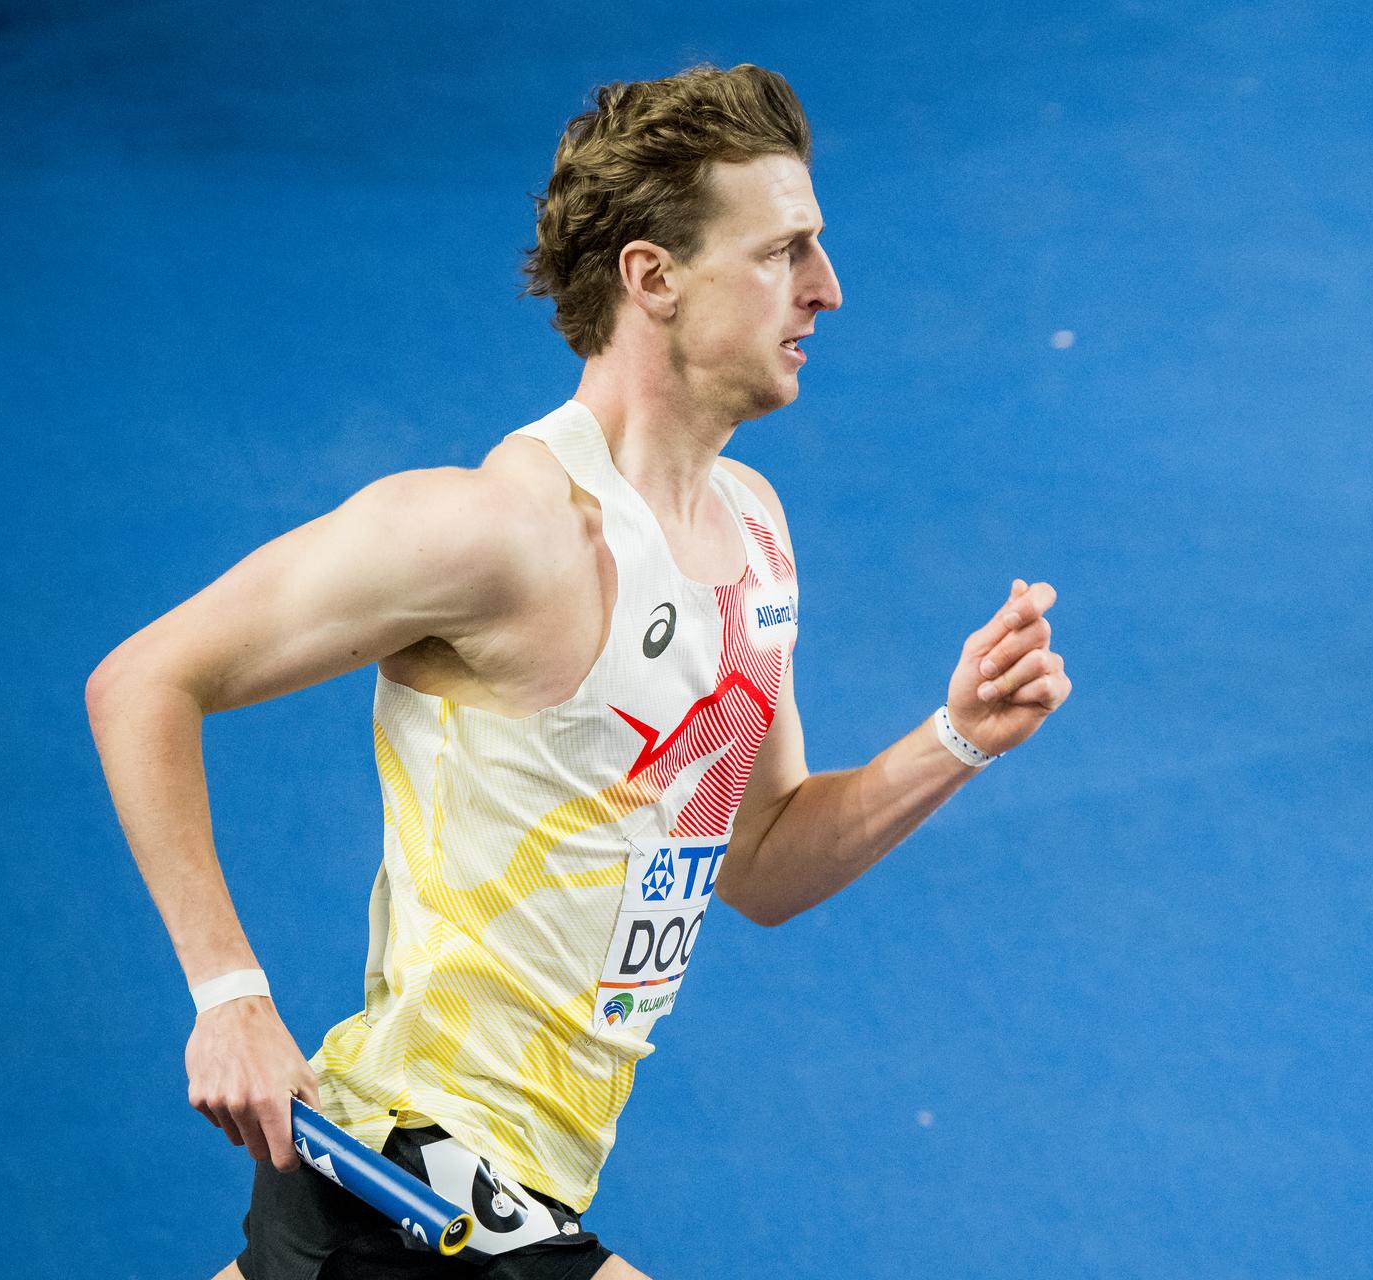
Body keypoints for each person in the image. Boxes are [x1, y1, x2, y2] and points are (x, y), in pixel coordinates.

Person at [86, 63, 1070, 1279]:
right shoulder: (501, 530)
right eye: (784, 253)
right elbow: (143, 680)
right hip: (409, 1171)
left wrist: (957, 735)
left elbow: (758, 860)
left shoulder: (753, 534)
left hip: (495, 1190)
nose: (828, 288)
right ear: (652, 275)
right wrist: (228, 992)